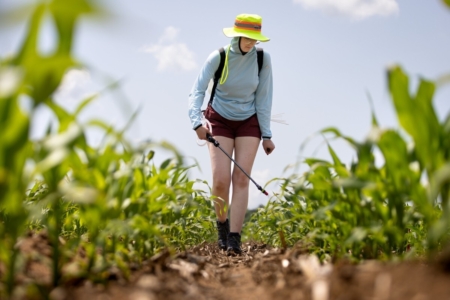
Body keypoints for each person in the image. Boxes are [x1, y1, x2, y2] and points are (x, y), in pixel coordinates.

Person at [188, 14, 275, 255]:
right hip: (219, 120)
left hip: (249, 122)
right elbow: (196, 91)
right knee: (220, 181)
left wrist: (266, 135)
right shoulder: (219, 57)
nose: (250, 43)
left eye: (254, 39)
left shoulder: (262, 59)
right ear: (236, 34)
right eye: (246, 37)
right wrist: (197, 123)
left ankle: (235, 239)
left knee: (241, 179)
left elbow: (264, 98)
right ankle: (222, 227)